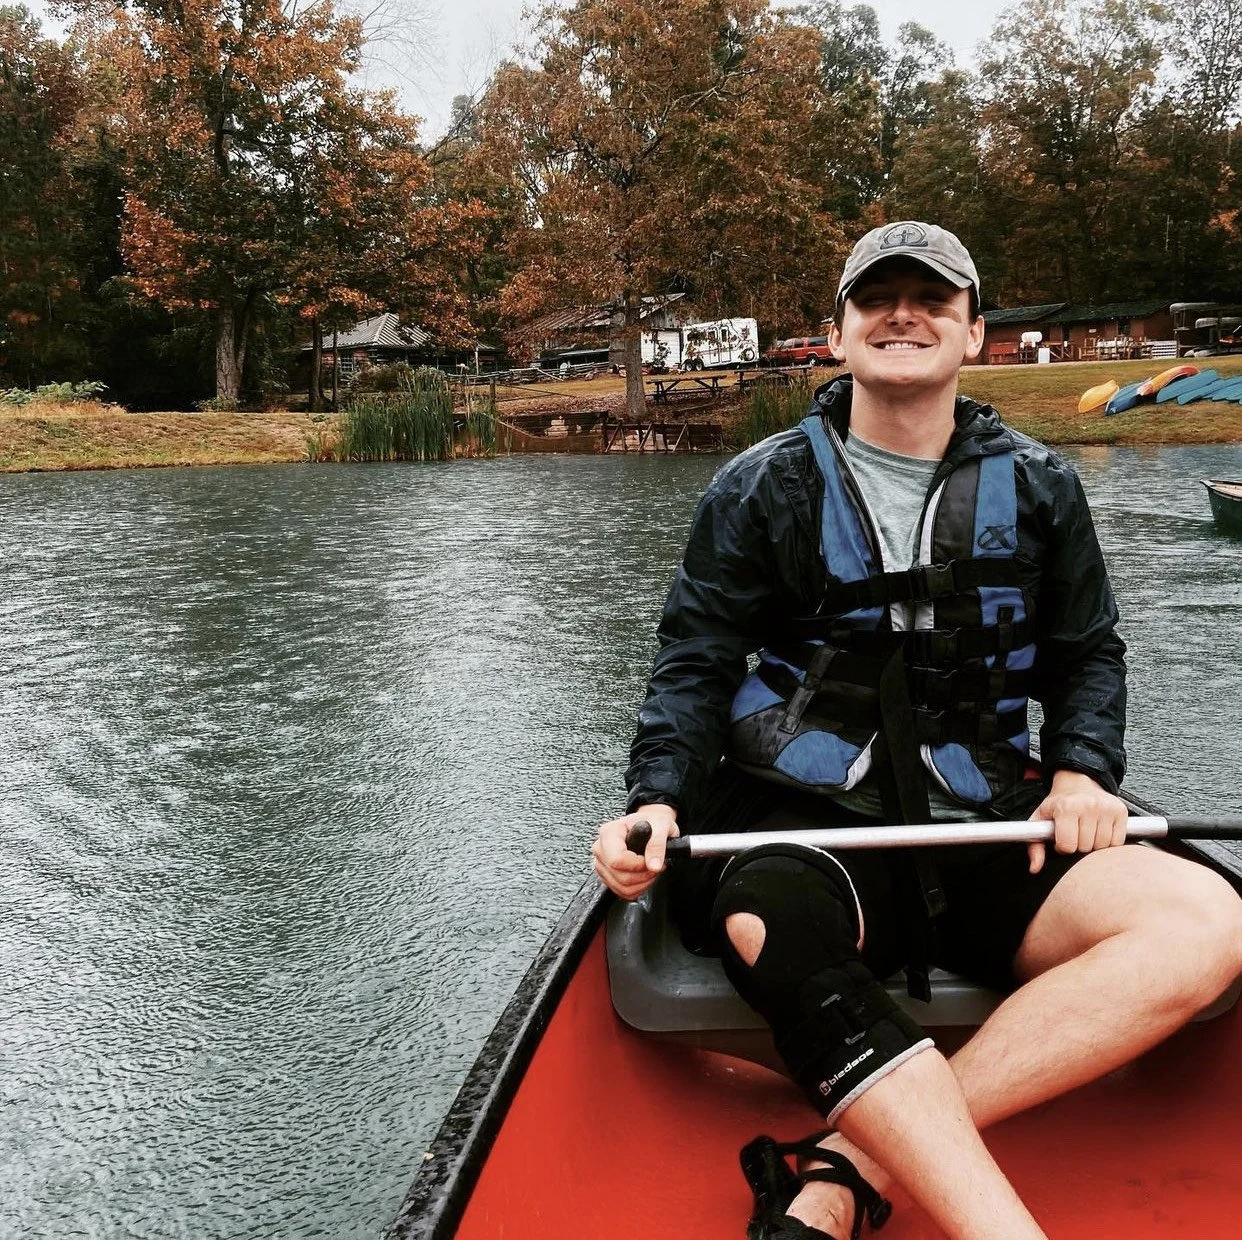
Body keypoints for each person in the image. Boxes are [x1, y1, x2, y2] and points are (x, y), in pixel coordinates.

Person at [592, 221, 1242, 1240]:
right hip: (808, 818)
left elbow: (1088, 654)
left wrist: (1081, 772)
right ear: (838, 334)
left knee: (1207, 925)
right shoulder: (755, 488)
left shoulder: (1043, 487)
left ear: (973, 331)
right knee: (766, 918)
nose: (904, 314)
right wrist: (658, 798)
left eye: (932, 298)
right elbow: (696, 661)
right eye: (876, 298)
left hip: (985, 806)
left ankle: (848, 1161)